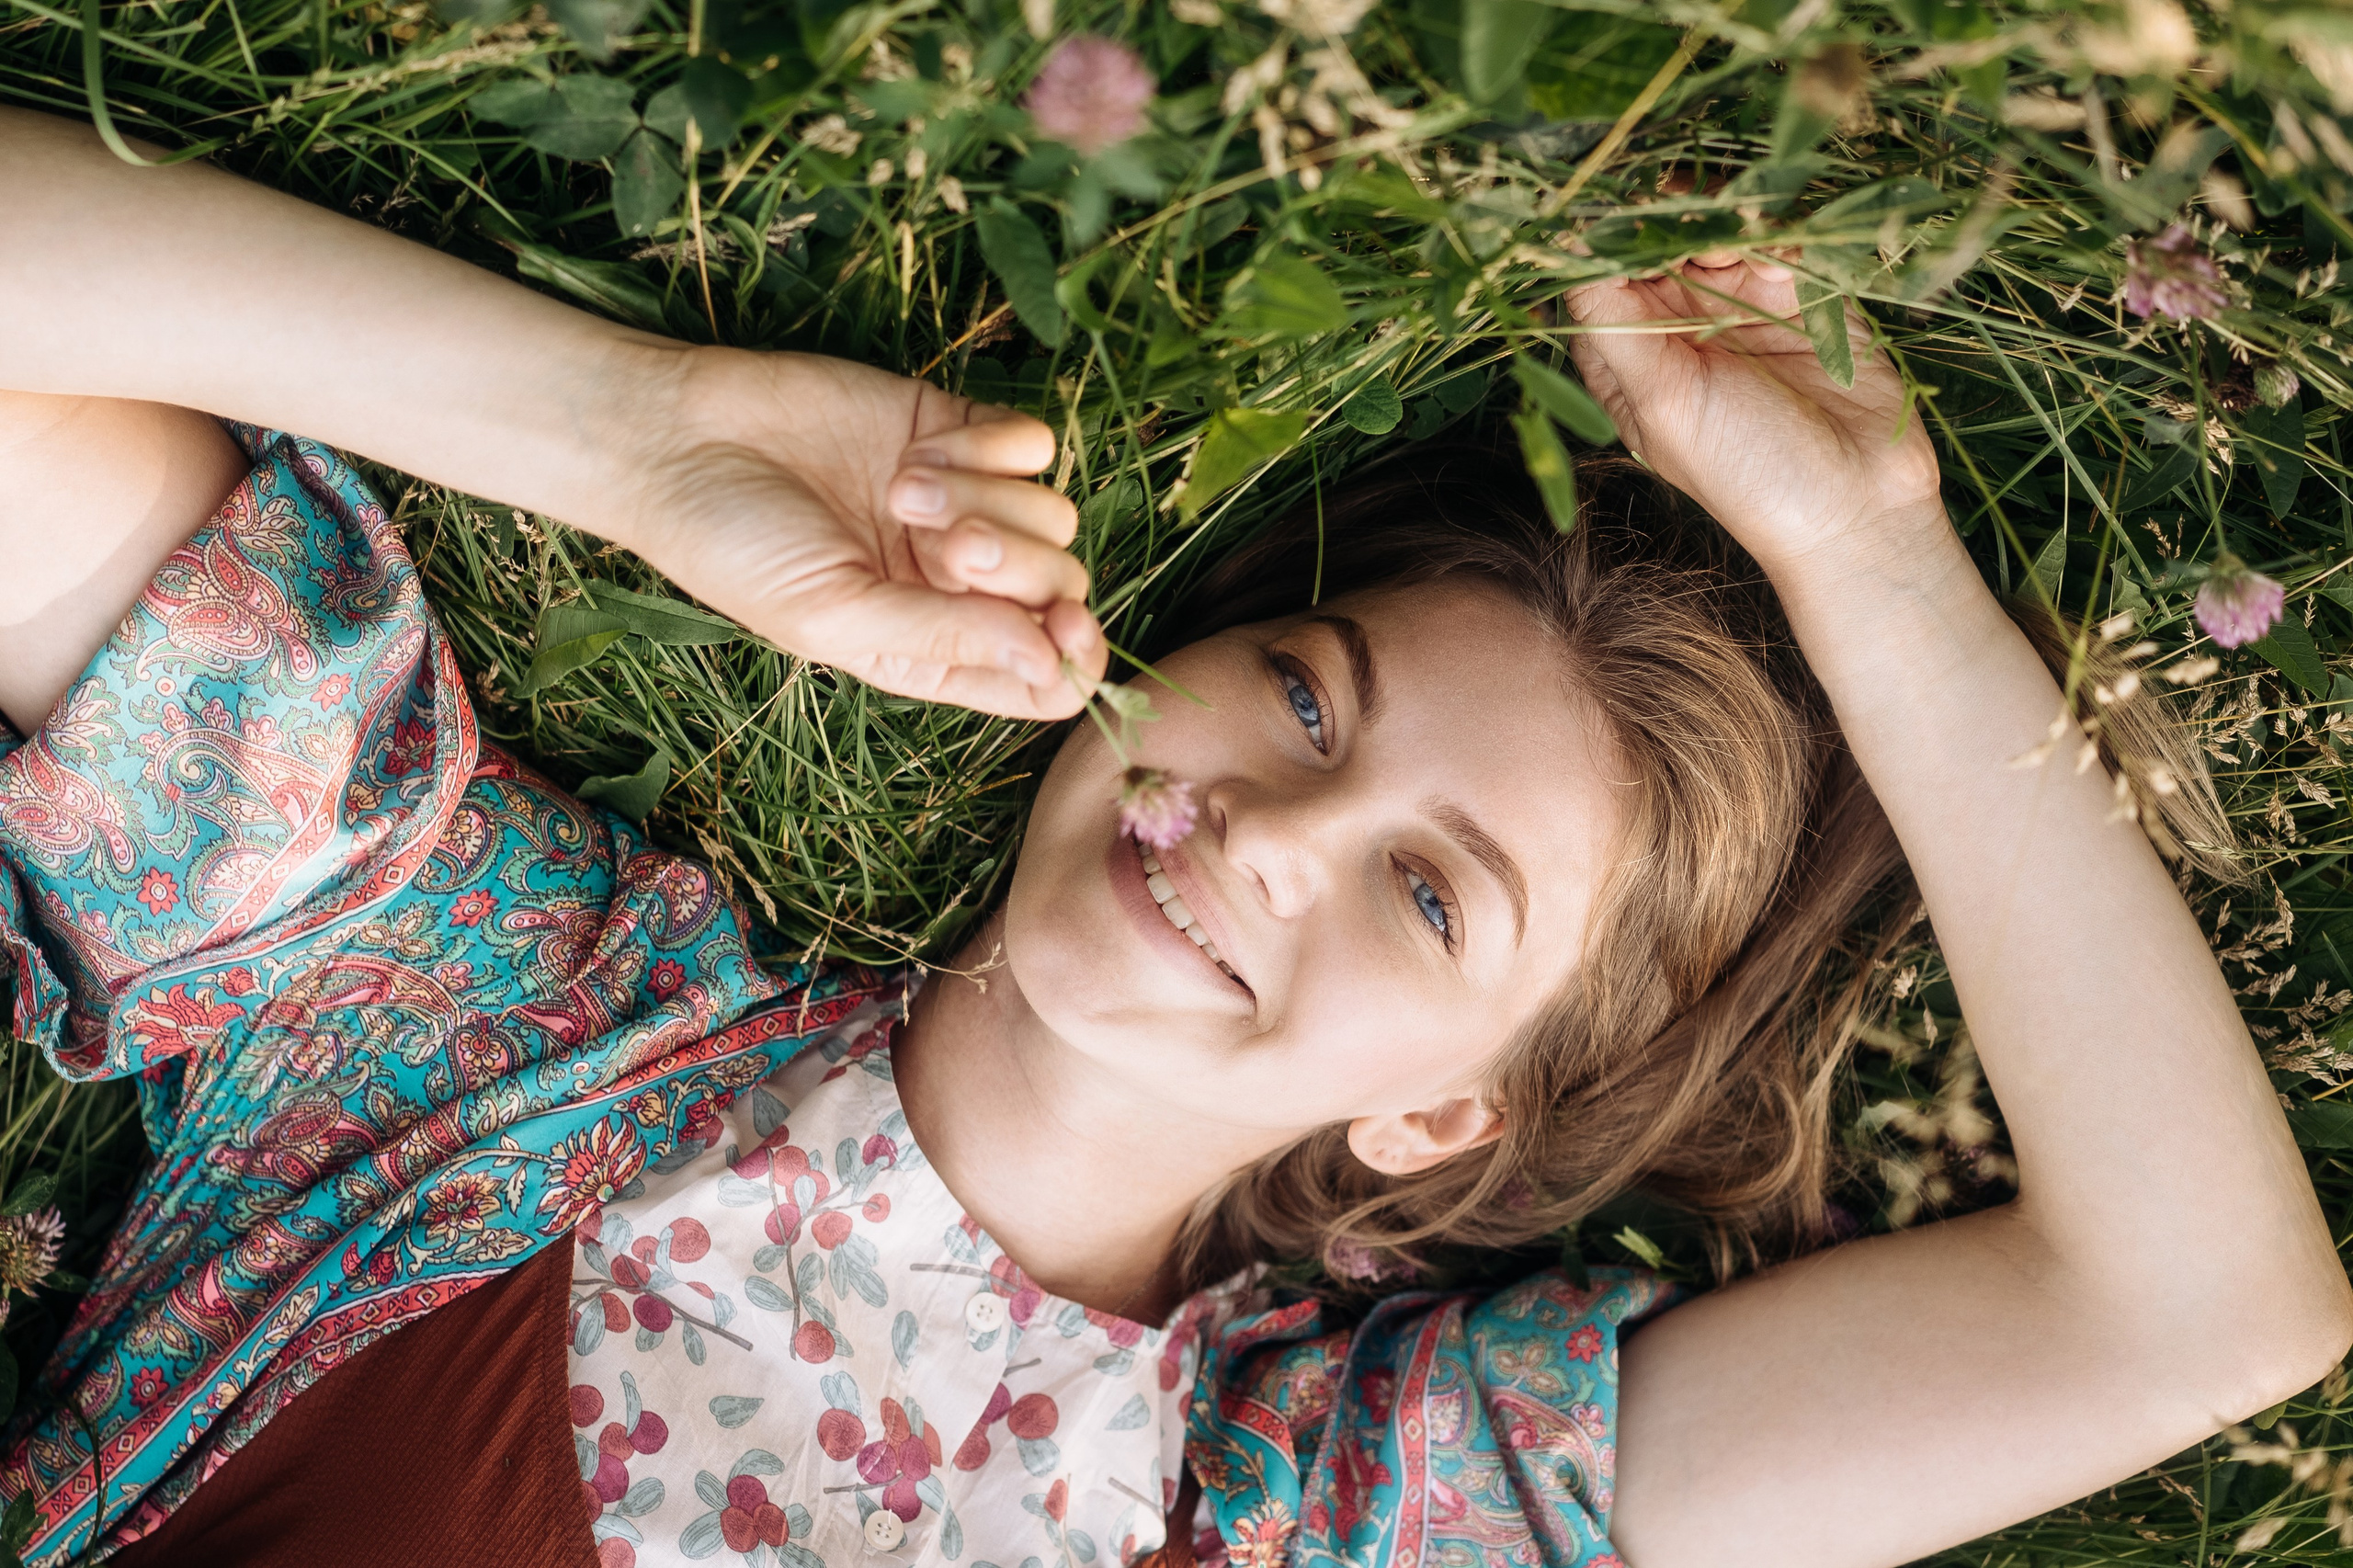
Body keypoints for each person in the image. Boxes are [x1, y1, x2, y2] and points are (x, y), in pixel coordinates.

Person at [0, 102, 2345, 1568]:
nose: (1275, 826)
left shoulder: (1333, 1510)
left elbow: (2192, 1316)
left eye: (1432, 892)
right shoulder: (471, 1006)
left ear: (1440, 1108)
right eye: (1315, 696)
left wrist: (1868, 555)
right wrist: (632, 430)